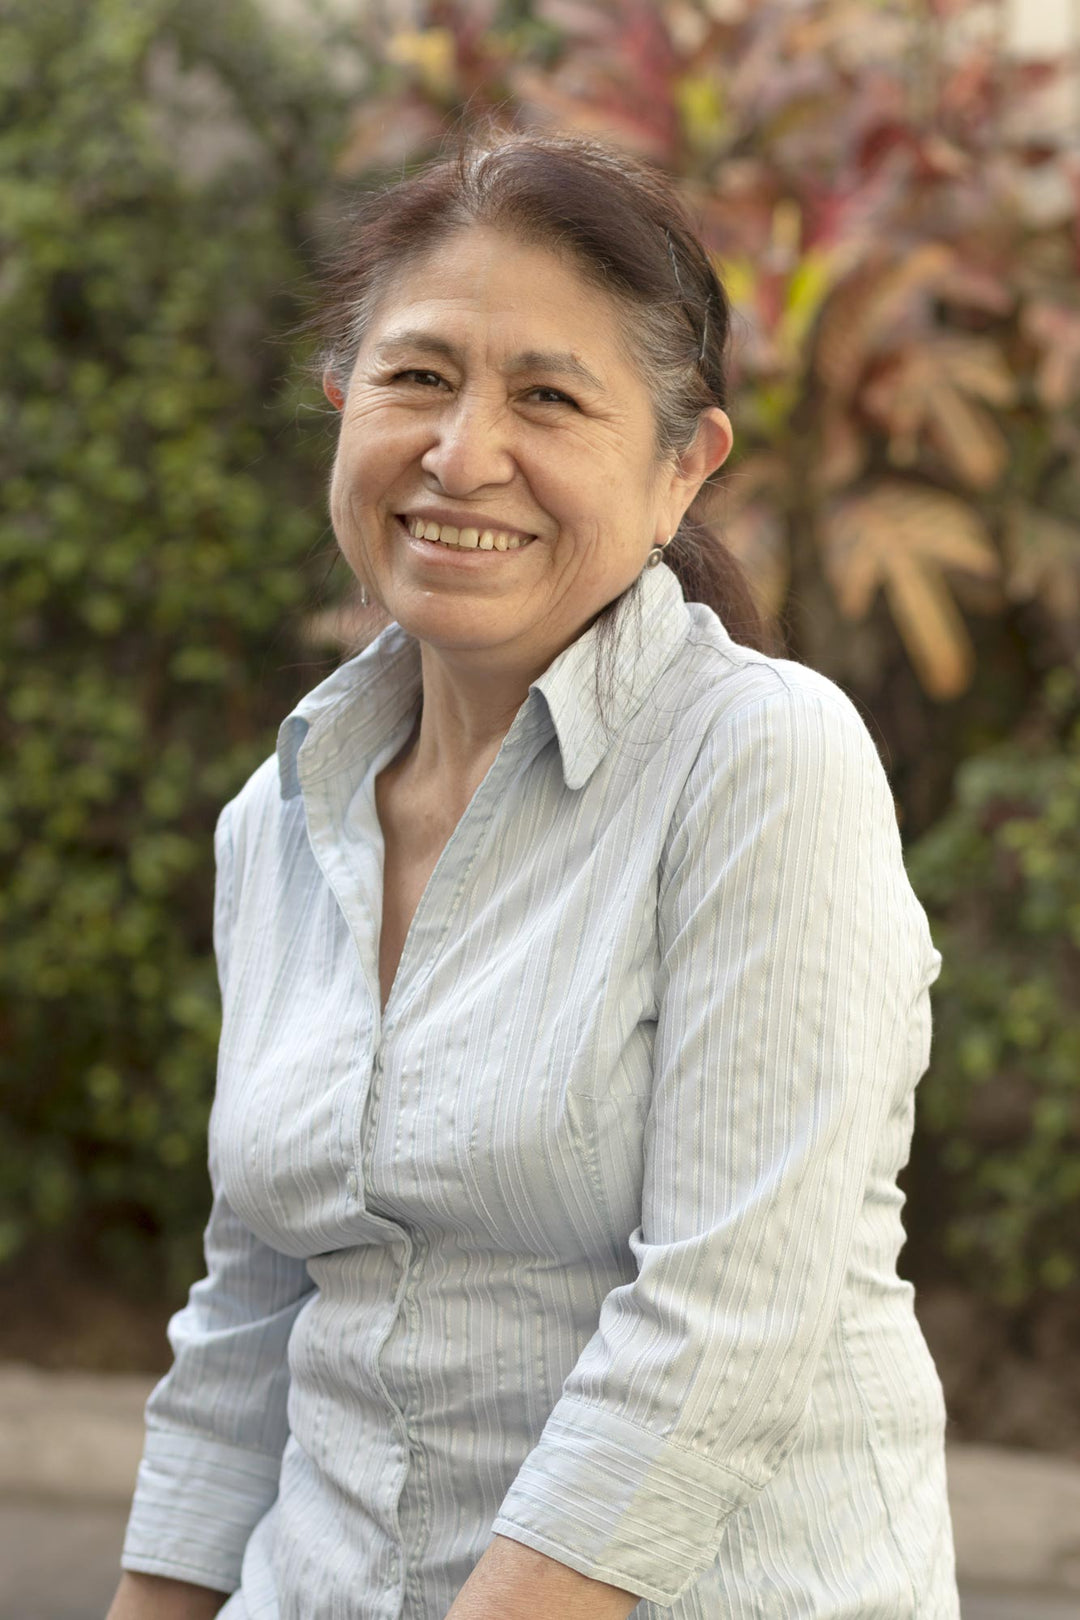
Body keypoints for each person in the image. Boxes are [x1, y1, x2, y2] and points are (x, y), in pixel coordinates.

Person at [108, 129, 960, 1620]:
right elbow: (248, 1325)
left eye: (550, 398)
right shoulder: (282, 818)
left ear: (678, 474)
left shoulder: (762, 762)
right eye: (418, 378)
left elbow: (718, 1333)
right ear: (341, 404)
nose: (460, 454)